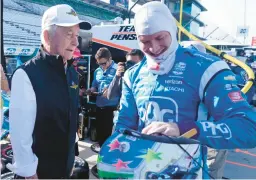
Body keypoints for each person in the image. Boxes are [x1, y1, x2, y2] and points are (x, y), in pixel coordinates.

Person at [115, 2, 256, 179]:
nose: (154, 48)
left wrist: (185, 129)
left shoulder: (207, 68)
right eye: (145, 41)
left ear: (172, 31)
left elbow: (249, 128)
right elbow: (122, 128)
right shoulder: (132, 75)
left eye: (160, 38)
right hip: (142, 172)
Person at [8, 4, 91, 179]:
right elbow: (20, 136)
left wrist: (69, 162)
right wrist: (29, 173)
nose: (76, 42)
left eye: (76, 35)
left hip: (64, 171)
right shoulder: (26, 74)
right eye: (69, 34)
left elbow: (69, 123)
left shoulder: (72, 74)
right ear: (47, 36)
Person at [86, 47, 120, 147]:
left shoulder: (119, 71)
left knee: (111, 140)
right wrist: (91, 90)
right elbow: (95, 85)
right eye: (99, 63)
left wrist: (110, 91)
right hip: (99, 107)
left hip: (112, 109)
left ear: (110, 59)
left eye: (104, 63)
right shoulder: (97, 71)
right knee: (101, 136)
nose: (102, 66)